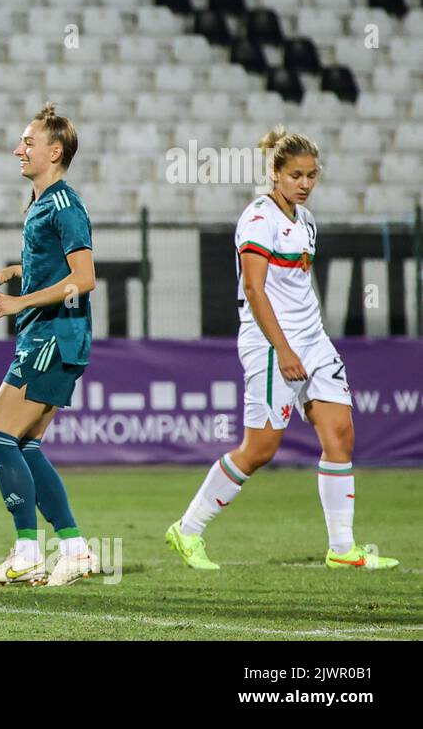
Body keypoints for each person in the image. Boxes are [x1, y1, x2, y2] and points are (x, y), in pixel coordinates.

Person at [166, 127, 399, 571]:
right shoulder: (258, 220)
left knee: (340, 435)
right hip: (272, 344)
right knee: (260, 450)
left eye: (312, 175)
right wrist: (284, 349)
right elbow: (255, 290)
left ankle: (342, 548)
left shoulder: (306, 221)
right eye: (296, 175)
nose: (305, 183)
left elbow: (295, 287)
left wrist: (308, 342)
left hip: (312, 340)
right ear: (275, 173)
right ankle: (188, 529)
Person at [0, 103, 99, 588]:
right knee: (25, 445)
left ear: (56, 150)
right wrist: (15, 270)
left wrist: (20, 298)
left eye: (28, 142)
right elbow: (57, 267)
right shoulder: (44, 202)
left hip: (54, 335)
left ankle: (27, 551)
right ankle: (74, 549)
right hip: (49, 334)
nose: (18, 149)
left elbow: (84, 278)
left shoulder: (64, 204)